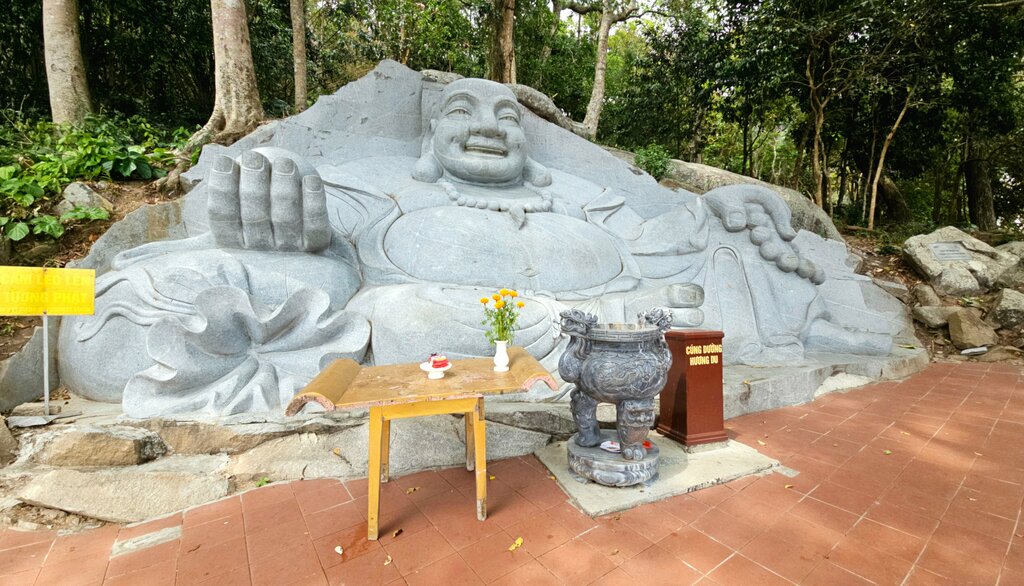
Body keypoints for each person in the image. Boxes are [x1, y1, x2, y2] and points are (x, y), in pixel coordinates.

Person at [59, 75, 891, 417]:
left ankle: (828, 324)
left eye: (507, 116)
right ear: (426, 137)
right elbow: (316, 243)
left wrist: (727, 207)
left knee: (748, 264)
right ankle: (594, 341)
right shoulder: (382, 190)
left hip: (630, 308)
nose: (489, 125)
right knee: (402, 308)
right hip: (440, 324)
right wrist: (282, 212)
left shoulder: (587, 197)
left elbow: (673, 236)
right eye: (462, 110)